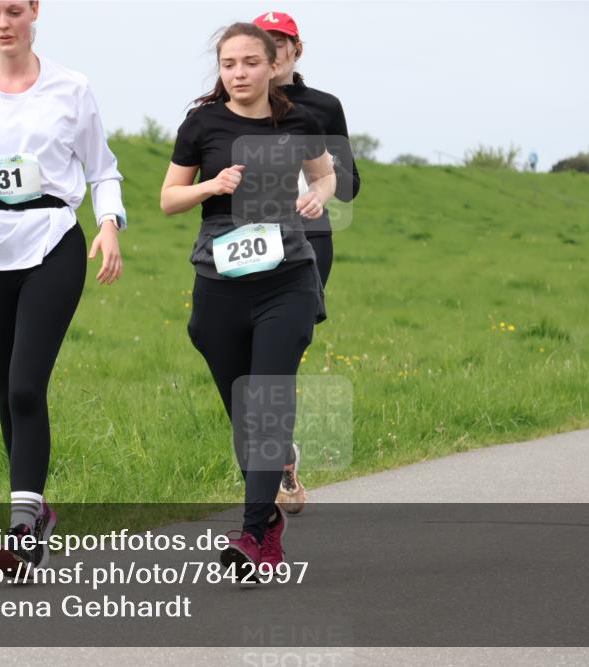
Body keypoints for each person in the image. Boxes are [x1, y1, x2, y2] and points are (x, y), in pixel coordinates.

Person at [0, 0, 126, 573]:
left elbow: (102, 169)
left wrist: (108, 223)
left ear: (35, 10)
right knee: (4, 391)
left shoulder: (72, 88)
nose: (3, 23)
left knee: (24, 388)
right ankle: (37, 511)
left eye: (14, 10)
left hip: (52, 241)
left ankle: (20, 528)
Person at [161, 22, 335, 574]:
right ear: (221, 70)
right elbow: (168, 199)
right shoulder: (201, 124)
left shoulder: (299, 120)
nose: (239, 73)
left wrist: (316, 198)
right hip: (219, 283)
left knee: (265, 404)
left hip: (286, 277)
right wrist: (212, 187)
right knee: (245, 413)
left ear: (271, 66)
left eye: (250, 63)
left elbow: (327, 176)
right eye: (229, 64)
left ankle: (254, 532)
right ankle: (269, 511)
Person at [253, 11, 362, 515]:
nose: (272, 53)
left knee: (284, 347)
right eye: (263, 43)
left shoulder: (324, 106)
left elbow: (350, 182)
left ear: (297, 51)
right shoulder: (238, 103)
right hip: (250, 239)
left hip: (309, 238)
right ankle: (281, 451)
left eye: (281, 44)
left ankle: (277, 457)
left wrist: (318, 174)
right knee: (253, 353)